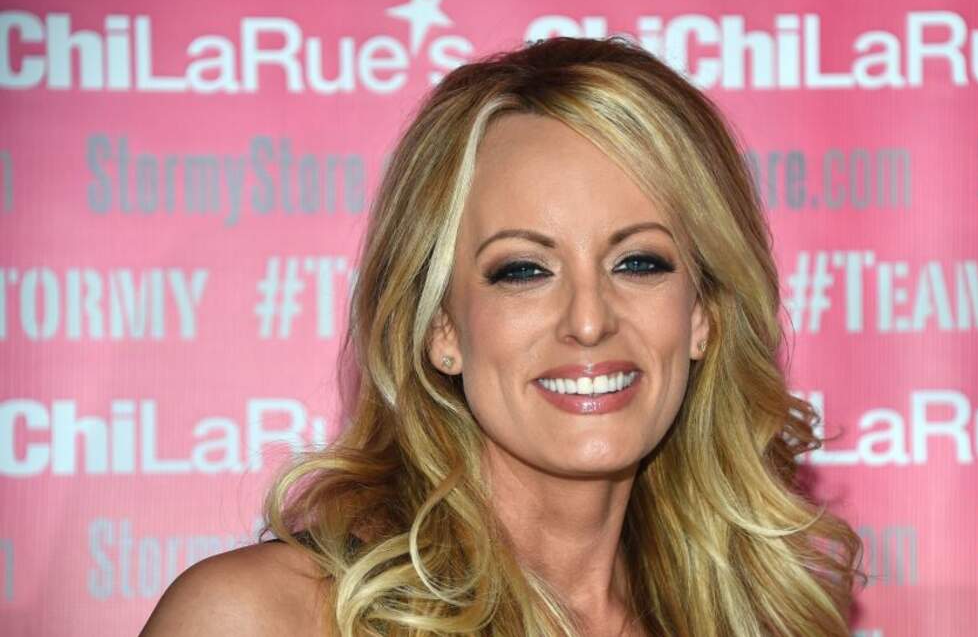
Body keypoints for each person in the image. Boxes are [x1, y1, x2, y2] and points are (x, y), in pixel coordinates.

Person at [142, 36, 862, 637]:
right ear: (441, 326)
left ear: (700, 313)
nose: (589, 320)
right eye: (523, 270)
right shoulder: (264, 618)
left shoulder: (763, 622)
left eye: (638, 262)